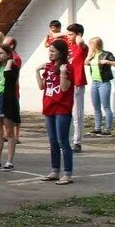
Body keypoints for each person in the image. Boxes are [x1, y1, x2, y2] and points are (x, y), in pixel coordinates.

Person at [38, 39, 75, 184]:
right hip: (49, 107)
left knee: (62, 141)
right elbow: (42, 86)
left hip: (62, 108)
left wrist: (63, 73)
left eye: (53, 51)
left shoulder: (67, 67)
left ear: (61, 52)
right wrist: (37, 71)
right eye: (49, 51)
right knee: (52, 141)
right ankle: (55, 170)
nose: (50, 54)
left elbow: (65, 88)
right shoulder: (49, 67)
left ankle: (67, 173)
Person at [85, 37, 115, 137]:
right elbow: (85, 63)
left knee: (106, 106)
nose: (89, 46)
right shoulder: (92, 55)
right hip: (94, 82)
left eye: (91, 44)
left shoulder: (106, 54)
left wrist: (108, 62)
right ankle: (97, 128)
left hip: (104, 83)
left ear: (96, 45)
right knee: (96, 107)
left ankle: (108, 129)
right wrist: (89, 55)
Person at [65, 23, 88, 151]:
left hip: (77, 83)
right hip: (66, 82)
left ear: (77, 35)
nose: (68, 36)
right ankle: (64, 140)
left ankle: (77, 141)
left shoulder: (81, 47)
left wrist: (78, 36)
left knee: (77, 114)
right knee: (65, 112)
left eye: (71, 34)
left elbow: (81, 43)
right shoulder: (68, 46)